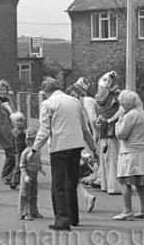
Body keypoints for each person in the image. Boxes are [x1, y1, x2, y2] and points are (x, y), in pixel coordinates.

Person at [27, 77, 98, 231]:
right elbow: (85, 128)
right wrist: (93, 147)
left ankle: (62, 220)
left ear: (45, 91)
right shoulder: (74, 102)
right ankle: (73, 217)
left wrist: (34, 149)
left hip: (60, 147)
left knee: (58, 185)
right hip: (76, 146)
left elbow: (44, 130)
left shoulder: (48, 104)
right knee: (71, 183)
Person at [113, 90, 144, 220]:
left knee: (125, 181)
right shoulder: (143, 114)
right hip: (143, 153)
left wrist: (118, 122)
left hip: (129, 153)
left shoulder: (130, 115)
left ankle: (127, 210)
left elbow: (121, 134)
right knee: (140, 183)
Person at [65, 81, 97, 212]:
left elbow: (86, 129)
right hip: (74, 145)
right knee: (72, 176)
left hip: (76, 146)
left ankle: (84, 198)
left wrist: (93, 146)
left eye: (75, 95)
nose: (74, 98)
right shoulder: (72, 109)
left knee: (69, 176)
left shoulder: (80, 110)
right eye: (71, 95)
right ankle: (86, 197)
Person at [95, 71, 122, 194]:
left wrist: (108, 120)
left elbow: (122, 109)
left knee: (109, 158)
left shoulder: (114, 95)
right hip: (106, 130)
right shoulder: (106, 96)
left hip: (109, 130)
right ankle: (109, 185)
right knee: (107, 158)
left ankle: (110, 185)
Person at [19, 127, 45, 220]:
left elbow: (38, 161)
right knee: (25, 194)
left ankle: (33, 211)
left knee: (34, 194)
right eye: (31, 139)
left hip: (34, 175)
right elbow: (22, 165)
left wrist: (41, 168)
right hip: (27, 176)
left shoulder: (37, 151)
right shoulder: (25, 152)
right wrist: (25, 175)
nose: (32, 141)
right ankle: (24, 212)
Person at [10, 112, 27, 190]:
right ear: (13, 123)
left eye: (21, 121)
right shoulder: (12, 132)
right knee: (17, 166)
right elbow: (12, 141)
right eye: (17, 121)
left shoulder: (24, 132)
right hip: (17, 151)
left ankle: (24, 179)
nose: (19, 123)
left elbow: (28, 141)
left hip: (25, 151)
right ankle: (14, 181)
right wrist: (13, 150)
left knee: (25, 165)